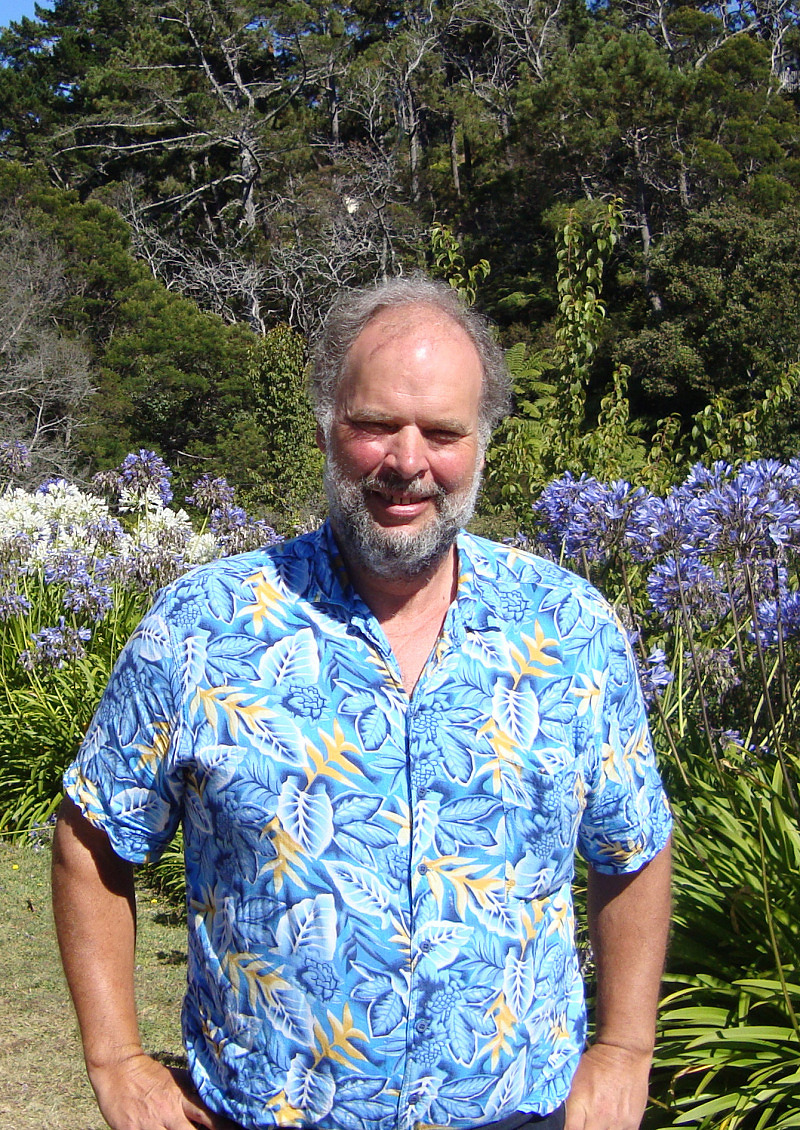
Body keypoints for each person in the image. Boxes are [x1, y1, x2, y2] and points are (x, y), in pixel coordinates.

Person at [52, 275, 672, 1130]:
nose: (407, 461)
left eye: (444, 432)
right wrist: (116, 1059)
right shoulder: (202, 626)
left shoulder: (569, 626)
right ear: (325, 424)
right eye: (375, 424)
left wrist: (626, 1047)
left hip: (519, 1113)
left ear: (483, 441)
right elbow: (91, 834)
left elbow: (632, 841)